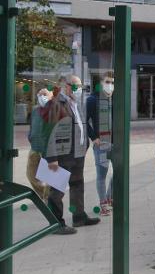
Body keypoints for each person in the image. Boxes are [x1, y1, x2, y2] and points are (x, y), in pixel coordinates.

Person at [42, 75, 100, 235]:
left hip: (77, 153)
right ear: (66, 86)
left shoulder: (76, 103)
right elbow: (48, 133)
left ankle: (79, 217)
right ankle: (56, 224)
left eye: (80, 86)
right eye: (76, 86)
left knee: (77, 185)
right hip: (61, 155)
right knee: (56, 190)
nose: (79, 89)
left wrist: (87, 142)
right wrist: (51, 158)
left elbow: (83, 124)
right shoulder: (55, 104)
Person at [87, 72, 114, 216]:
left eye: (112, 82)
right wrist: (93, 137)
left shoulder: (115, 100)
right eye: (107, 82)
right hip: (101, 143)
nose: (110, 85)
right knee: (101, 175)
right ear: (101, 83)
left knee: (119, 172)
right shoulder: (93, 100)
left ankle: (110, 197)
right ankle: (103, 203)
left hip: (116, 143)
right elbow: (84, 121)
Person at [25, 88, 53, 201]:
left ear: (51, 96)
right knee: (30, 174)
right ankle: (44, 194)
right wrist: (30, 136)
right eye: (40, 95)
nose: (42, 97)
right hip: (34, 146)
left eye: (45, 95)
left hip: (47, 148)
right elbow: (32, 125)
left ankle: (49, 197)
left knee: (51, 176)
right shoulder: (35, 110)